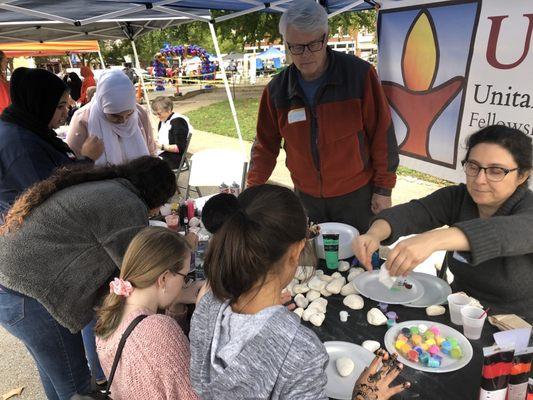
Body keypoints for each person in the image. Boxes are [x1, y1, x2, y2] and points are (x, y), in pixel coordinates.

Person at [190, 184, 408, 399]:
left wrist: (271, 322)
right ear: (296, 251)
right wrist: (365, 396)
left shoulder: (207, 304)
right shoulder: (300, 351)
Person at [0, 156, 176, 400]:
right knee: (76, 387)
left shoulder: (110, 187)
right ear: (157, 197)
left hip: (12, 288)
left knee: (58, 376)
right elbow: (137, 272)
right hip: (27, 294)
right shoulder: (127, 203)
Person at [353, 125, 533, 322]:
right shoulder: (458, 198)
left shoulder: (527, 209)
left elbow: (510, 232)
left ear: (522, 175)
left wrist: (433, 240)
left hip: (515, 326)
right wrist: (374, 233)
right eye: (473, 167)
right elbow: (412, 213)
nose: (480, 180)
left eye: (496, 171)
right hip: (457, 309)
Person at [247, 0, 398, 233]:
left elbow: (382, 134)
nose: (305, 55)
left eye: (313, 45)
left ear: (325, 38)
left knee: (360, 262)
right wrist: (252, 189)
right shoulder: (276, 90)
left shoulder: (359, 75)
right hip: (306, 199)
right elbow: (265, 146)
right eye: (296, 47)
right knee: (312, 263)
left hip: (357, 196)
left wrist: (383, 189)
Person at [95, 227, 200, 399]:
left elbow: (158, 368)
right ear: (164, 278)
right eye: (184, 277)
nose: (184, 284)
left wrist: (176, 303)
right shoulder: (157, 330)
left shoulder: (111, 313)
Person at [0, 67, 103, 219]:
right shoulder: (22, 145)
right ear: (40, 104)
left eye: (66, 105)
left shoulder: (29, 127)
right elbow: (51, 197)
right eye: (60, 106)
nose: (66, 112)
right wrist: (86, 161)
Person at [67, 69, 156, 166]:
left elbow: (151, 152)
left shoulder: (140, 114)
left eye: (129, 114)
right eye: (115, 116)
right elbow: (73, 163)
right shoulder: (83, 118)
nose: (123, 120)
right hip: (100, 179)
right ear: (102, 105)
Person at [151, 96, 191, 170]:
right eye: (155, 114)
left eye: (159, 114)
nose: (157, 116)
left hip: (174, 158)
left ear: (169, 110)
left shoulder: (178, 122)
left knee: (147, 166)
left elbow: (180, 148)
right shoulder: (162, 121)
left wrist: (160, 146)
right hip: (164, 154)